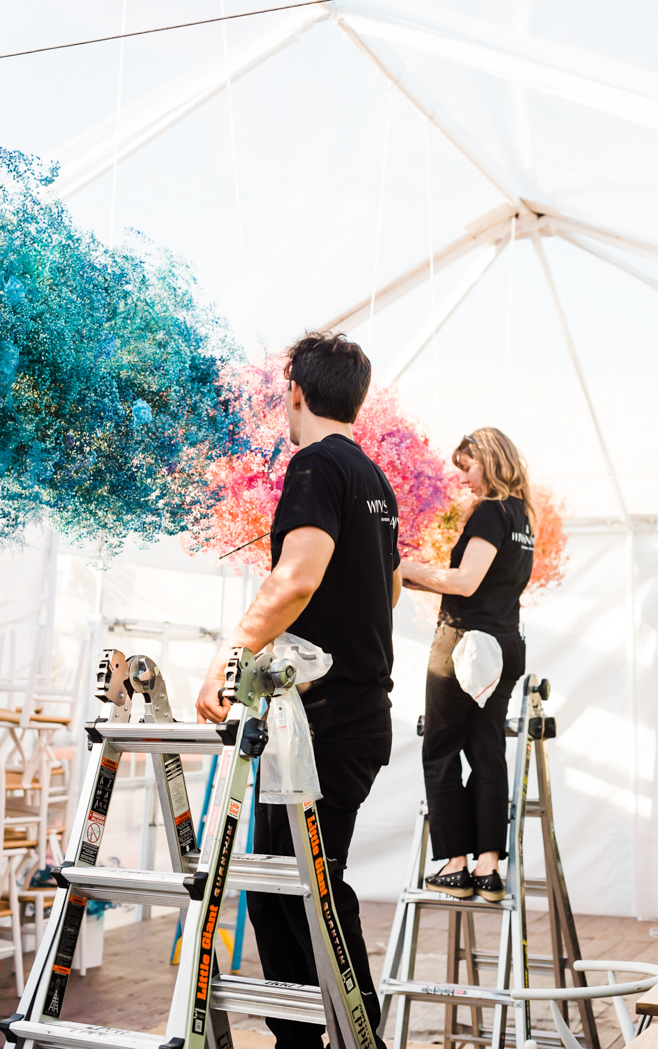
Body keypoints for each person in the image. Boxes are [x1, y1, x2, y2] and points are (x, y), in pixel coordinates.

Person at [196, 332, 401, 1049]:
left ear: (298, 393)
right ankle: (328, 1034)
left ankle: (334, 1036)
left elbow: (297, 576)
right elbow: (391, 590)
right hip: (355, 711)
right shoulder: (374, 478)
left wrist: (231, 656)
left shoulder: (315, 465)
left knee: (298, 891)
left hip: (326, 720)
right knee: (296, 888)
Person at [400, 428, 534, 903]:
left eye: (468, 468)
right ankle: (489, 868)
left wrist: (405, 569)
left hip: (464, 646)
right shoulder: (522, 518)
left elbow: (465, 581)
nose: (463, 480)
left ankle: (456, 865)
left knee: (440, 750)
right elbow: (489, 585)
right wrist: (424, 583)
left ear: (491, 461)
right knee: (486, 749)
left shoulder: (491, 512)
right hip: (505, 644)